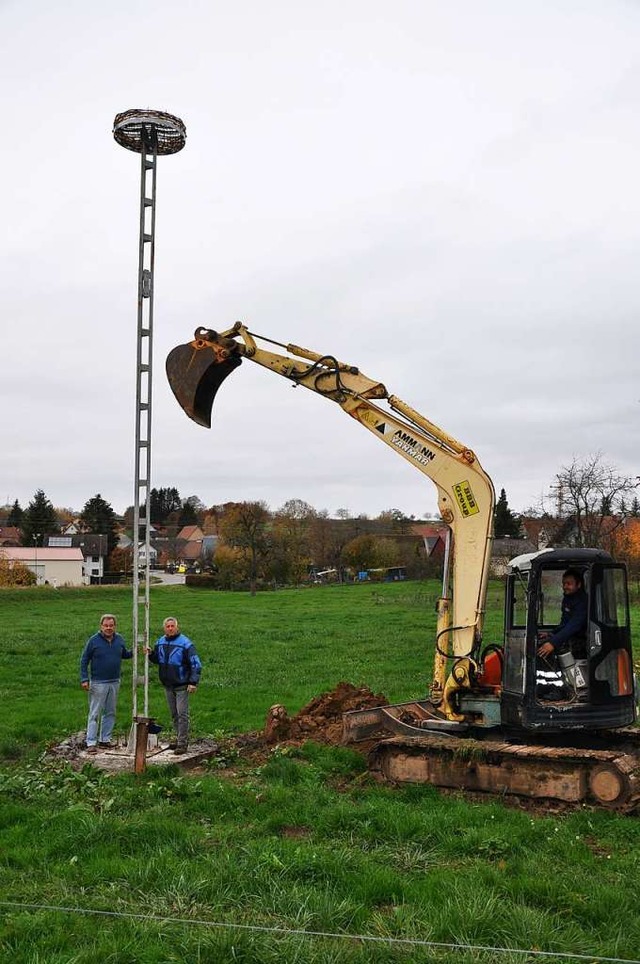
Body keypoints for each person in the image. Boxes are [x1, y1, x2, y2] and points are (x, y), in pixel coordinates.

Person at [146, 617, 202, 754]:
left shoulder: (185, 643)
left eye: (172, 626)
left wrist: (193, 682)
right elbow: (158, 660)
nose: (170, 628)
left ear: (177, 627)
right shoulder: (160, 642)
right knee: (174, 714)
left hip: (182, 684)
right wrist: (150, 654)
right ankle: (179, 738)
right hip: (168, 685)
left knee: (182, 714)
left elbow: (196, 663)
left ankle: (183, 743)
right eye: (168, 626)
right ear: (164, 628)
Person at [80, 614, 132, 753]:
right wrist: (84, 678)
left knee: (110, 712)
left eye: (111, 625)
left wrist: (137, 651)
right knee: (95, 712)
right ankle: (91, 742)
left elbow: (124, 654)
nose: (109, 628)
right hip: (98, 682)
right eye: (106, 625)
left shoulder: (119, 639)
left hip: (114, 681)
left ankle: (105, 739)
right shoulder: (93, 641)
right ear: (101, 626)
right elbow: (84, 659)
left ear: (115, 626)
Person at [536, 568, 588, 660]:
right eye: (564, 583)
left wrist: (553, 643)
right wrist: (551, 634)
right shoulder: (568, 599)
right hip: (572, 638)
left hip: (583, 641)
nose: (565, 586)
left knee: (548, 653)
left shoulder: (583, 602)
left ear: (578, 585)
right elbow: (565, 623)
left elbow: (574, 625)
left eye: (569, 584)